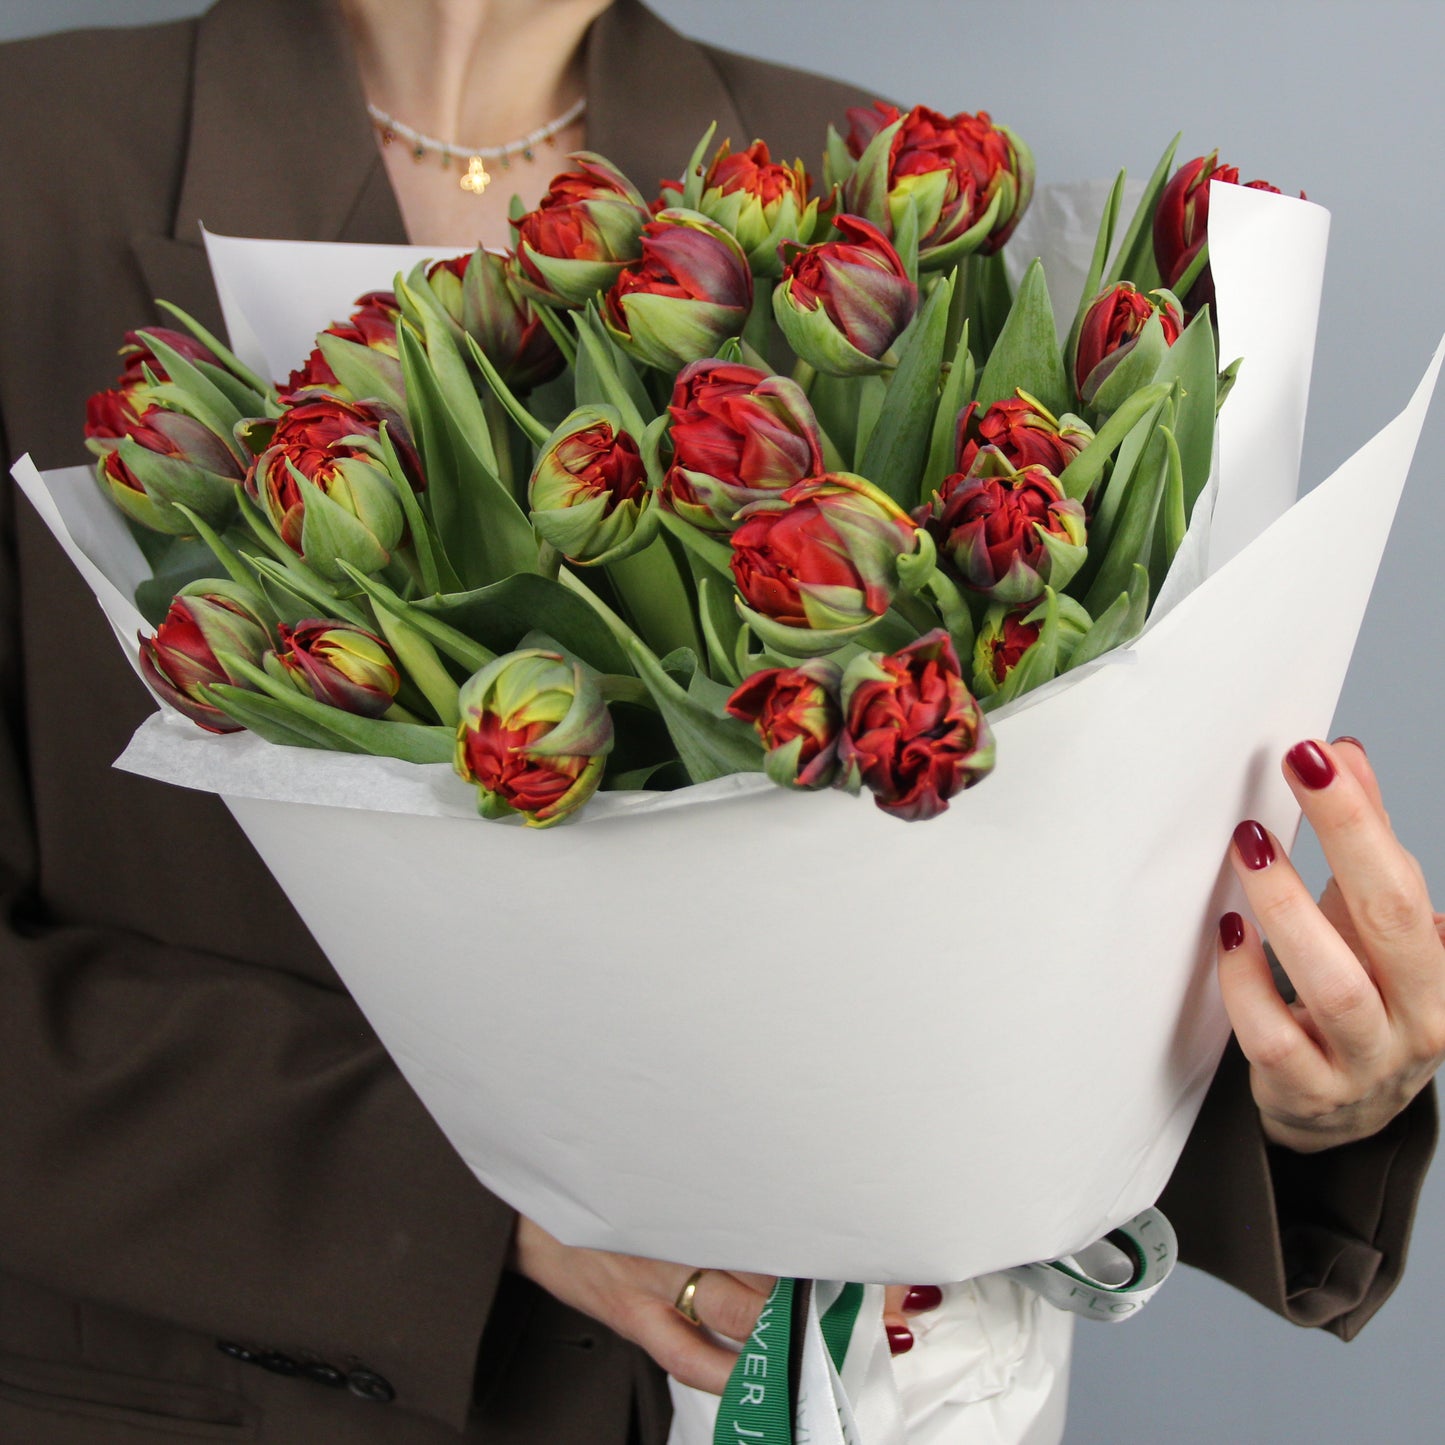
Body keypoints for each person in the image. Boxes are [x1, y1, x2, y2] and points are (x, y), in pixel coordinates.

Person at [0, 1, 1439, 1441]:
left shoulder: (850, 172)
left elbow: (980, 885)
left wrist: (1302, 1089)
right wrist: (496, 1201)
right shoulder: (36, 161)